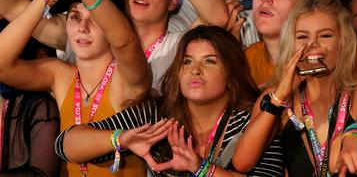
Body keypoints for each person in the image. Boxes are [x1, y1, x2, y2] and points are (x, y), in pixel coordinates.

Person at [0, 0, 151, 176]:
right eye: (74, 17)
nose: (82, 28)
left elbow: (124, 41)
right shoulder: (61, 76)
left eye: (94, 21)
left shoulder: (129, 79)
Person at [54, 25, 285, 176]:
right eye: (187, 61)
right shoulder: (158, 113)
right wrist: (121, 138)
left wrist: (201, 168)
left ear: (231, 72)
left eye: (209, 62)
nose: (195, 70)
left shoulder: (251, 120)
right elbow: (65, 144)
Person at [232, 0, 357, 176]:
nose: (312, 44)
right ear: (291, 42)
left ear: (343, 41)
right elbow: (242, 162)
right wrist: (279, 97)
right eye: (303, 37)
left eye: (325, 36)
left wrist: (356, 135)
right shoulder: (275, 98)